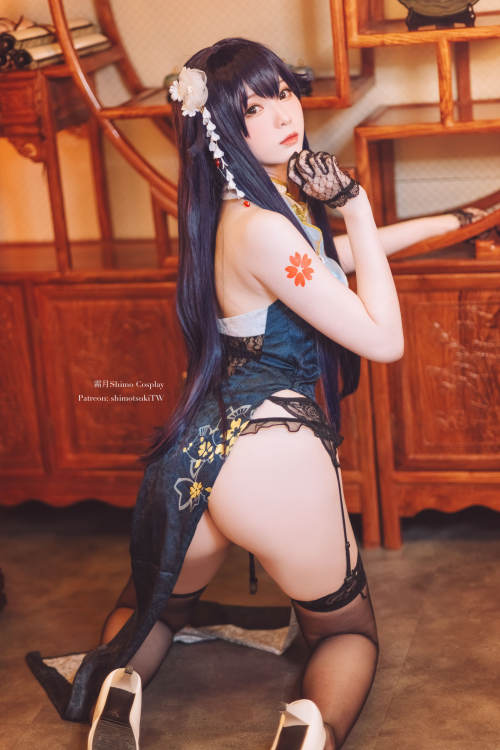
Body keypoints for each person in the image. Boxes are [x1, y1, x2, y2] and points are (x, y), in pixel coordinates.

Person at [26, 37, 489, 750]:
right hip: (273, 456)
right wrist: (358, 207)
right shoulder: (267, 228)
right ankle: (310, 728)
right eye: (253, 108)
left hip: (198, 454)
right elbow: (384, 340)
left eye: (283, 93)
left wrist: (455, 222)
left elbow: (321, 262)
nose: (283, 113)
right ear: (220, 129)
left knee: (155, 608)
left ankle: (121, 686)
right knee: (345, 632)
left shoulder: (232, 216)